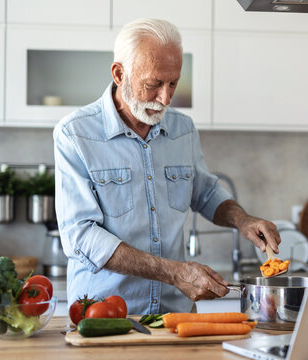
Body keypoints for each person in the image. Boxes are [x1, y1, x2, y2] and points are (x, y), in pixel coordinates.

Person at [53, 18, 281, 314]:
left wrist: (242, 220)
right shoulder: (75, 134)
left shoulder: (182, 129)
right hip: (105, 316)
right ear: (119, 73)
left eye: (173, 83)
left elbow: (205, 193)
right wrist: (175, 273)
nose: (165, 98)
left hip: (175, 317)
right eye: (154, 84)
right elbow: (81, 236)